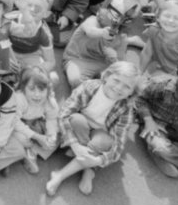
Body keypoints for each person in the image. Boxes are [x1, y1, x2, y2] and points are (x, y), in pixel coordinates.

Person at [46, 61, 139, 197]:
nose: (119, 88)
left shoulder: (127, 110)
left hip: (99, 134)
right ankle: (87, 168)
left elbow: (118, 145)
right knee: (77, 120)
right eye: (116, 80)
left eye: (127, 87)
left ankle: (60, 175)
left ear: (132, 92)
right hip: (79, 125)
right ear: (106, 76)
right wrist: (75, 145)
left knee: (106, 142)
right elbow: (64, 114)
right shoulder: (88, 87)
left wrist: (98, 161)